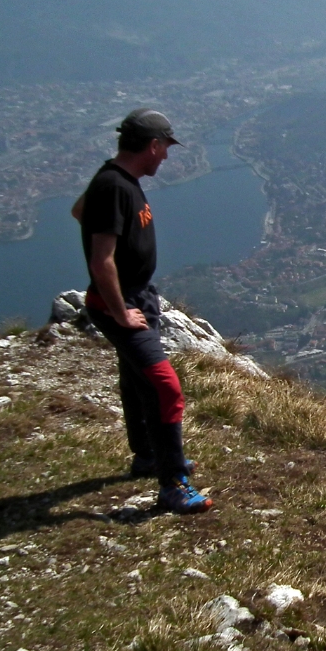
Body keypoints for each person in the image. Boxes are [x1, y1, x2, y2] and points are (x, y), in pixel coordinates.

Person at [70, 108, 212, 514]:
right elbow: (102, 261)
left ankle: (148, 455)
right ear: (152, 146)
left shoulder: (111, 180)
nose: (165, 157)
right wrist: (119, 311)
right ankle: (172, 485)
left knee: (135, 381)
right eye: (164, 148)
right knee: (165, 387)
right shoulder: (115, 186)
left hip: (137, 297)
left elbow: (80, 211)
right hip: (123, 303)